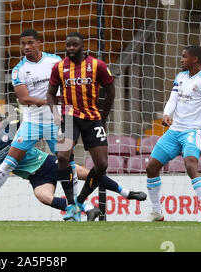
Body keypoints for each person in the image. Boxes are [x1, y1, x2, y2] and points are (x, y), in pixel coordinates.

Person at [0, 29, 82, 220]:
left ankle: (74, 207)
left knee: (69, 164)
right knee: (7, 164)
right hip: (32, 122)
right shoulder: (19, 69)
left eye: (30, 43)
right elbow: (25, 98)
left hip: (57, 120)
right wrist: (54, 101)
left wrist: (65, 107)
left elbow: (68, 85)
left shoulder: (55, 62)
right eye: (23, 44)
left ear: (39, 43)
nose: (26, 47)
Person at [47, 32, 146, 221]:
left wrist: (104, 117)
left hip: (92, 118)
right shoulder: (59, 67)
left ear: (82, 46)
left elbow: (110, 91)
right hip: (68, 116)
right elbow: (50, 93)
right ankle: (70, 204)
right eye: (68, 45)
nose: (70, 48)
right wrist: (56, 115)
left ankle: (79, 201)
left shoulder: (97, 65)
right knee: (62, 156)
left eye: (74, 45)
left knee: (101, 164)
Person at [145, 45, 201, 222]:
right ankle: (156, 212)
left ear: (195, 59)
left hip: (192, 131)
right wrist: (167, 114)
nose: (181, 59)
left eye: (184, 57)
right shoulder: (181, 76)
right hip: (175, 130)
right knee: (151, 167)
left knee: (191, 165)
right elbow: (173, 99)